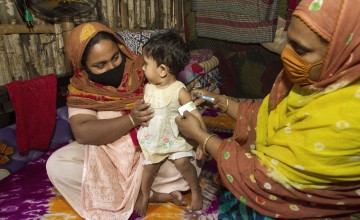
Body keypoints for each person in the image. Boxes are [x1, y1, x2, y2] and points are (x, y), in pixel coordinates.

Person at [175, 0, 360, 219]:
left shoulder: (346, 118)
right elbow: (267, 115)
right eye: (288, 42)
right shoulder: (316, 81)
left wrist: (201, 136)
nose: (286, 55)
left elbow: (266, 178)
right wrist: (221, 102)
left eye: (300, 50)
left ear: (344, 51)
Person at [46, 22, 202, 219]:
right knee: (58, 165)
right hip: (107, 155)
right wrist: (131, 119)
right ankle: (142, 193)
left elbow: (180, 103)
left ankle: (136, 191)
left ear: (120, 48)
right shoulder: (81, 88)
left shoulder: (144, 67)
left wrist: (196, 130)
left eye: (115, 58)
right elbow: (83, 133)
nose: (112, 67)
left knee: (184, 164)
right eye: (100, 65)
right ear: (82, 65)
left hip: (151, 151)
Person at [134, 32, 206, 216]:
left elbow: (194, 113)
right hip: (155, 137)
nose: (142, 68)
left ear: (162, 70)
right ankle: (145, 195)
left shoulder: (179, 91)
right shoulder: (148, 87)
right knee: (148, 169)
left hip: (174, 137)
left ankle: (196, 190)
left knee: (182, 162)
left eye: (145, 64)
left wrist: (202, 141)